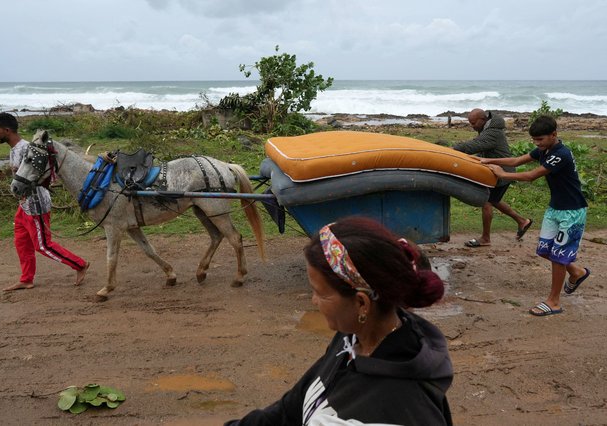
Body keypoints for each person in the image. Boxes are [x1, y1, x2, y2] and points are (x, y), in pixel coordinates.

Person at [225, 216, 453, 425]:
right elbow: (289, 410)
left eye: (321, 293)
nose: (314, 301)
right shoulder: (351, 340)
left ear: (362, 304)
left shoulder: (406, 409)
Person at [481, 116, 591, 316]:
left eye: (540, 139)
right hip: (555, 208)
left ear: (553, 135)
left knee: (558, 256)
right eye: (534, 140)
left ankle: (554, 302)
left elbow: (531, 176)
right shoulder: (544, 149)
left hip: (572, 212)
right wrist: (488, 160)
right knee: (546, 250)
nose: (537, 144)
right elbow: (516, 160)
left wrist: (502, 174)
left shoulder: (560, 154)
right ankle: (577, 272)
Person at [0, 112, 90, 292]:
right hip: (24, 205)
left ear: (6, 130)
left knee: (43, 245)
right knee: (22, 242)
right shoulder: (14, 149)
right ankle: (26, 279)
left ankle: (80, 264)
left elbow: (45, 177)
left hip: (36, 204)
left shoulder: (29, 149)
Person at [453, 108, 533, 247]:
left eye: (473, 123)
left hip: (503, 173)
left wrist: (452, 150)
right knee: (494, 201)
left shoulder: (492, 132)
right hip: (499, 171)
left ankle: (485, 238)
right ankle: (522, 221)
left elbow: (474, 146)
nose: (471, 126)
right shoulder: (488, 129)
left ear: (483, 120)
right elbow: (482, 149)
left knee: (487, 202)